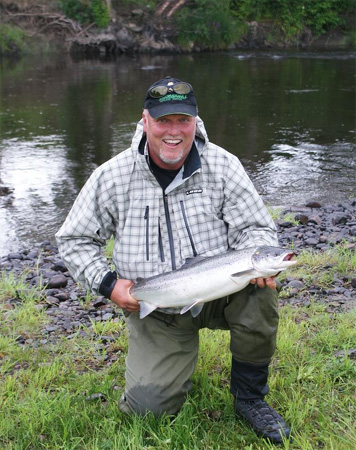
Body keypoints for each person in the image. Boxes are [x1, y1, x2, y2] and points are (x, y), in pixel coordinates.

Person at [56, 76, 291, 444]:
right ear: (145, 120)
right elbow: (73, 239)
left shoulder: (223, 166)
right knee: (147, 410)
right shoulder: (112, 176)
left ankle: (250, 398)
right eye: (163, 120)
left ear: (195, 122)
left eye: (182, 120)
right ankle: (170, 367)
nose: (173, 131)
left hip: (219, 294)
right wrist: (109, 283)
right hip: (156, 307)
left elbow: (256, 228)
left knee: (260, 292)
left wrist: (260, 254)